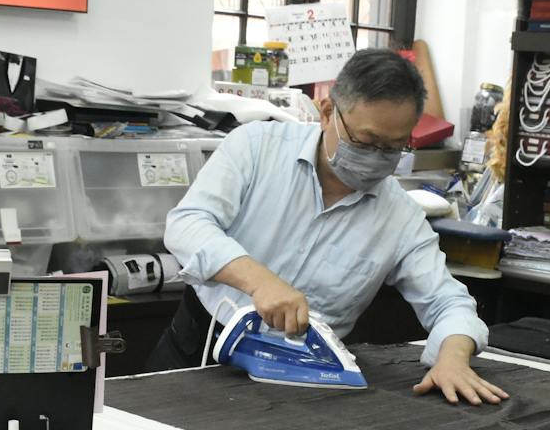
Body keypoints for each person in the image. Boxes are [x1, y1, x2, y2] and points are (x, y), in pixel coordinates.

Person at [150, 49, 507, 405]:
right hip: (198, 348)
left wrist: (452, 358)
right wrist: (259, 281)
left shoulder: (400, 218)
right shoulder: (256, 148)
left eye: (393, 148)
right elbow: (187, 223)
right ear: (326, 113)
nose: (376, 158)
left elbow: (449, 302)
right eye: (365, 143)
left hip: (301, 378)